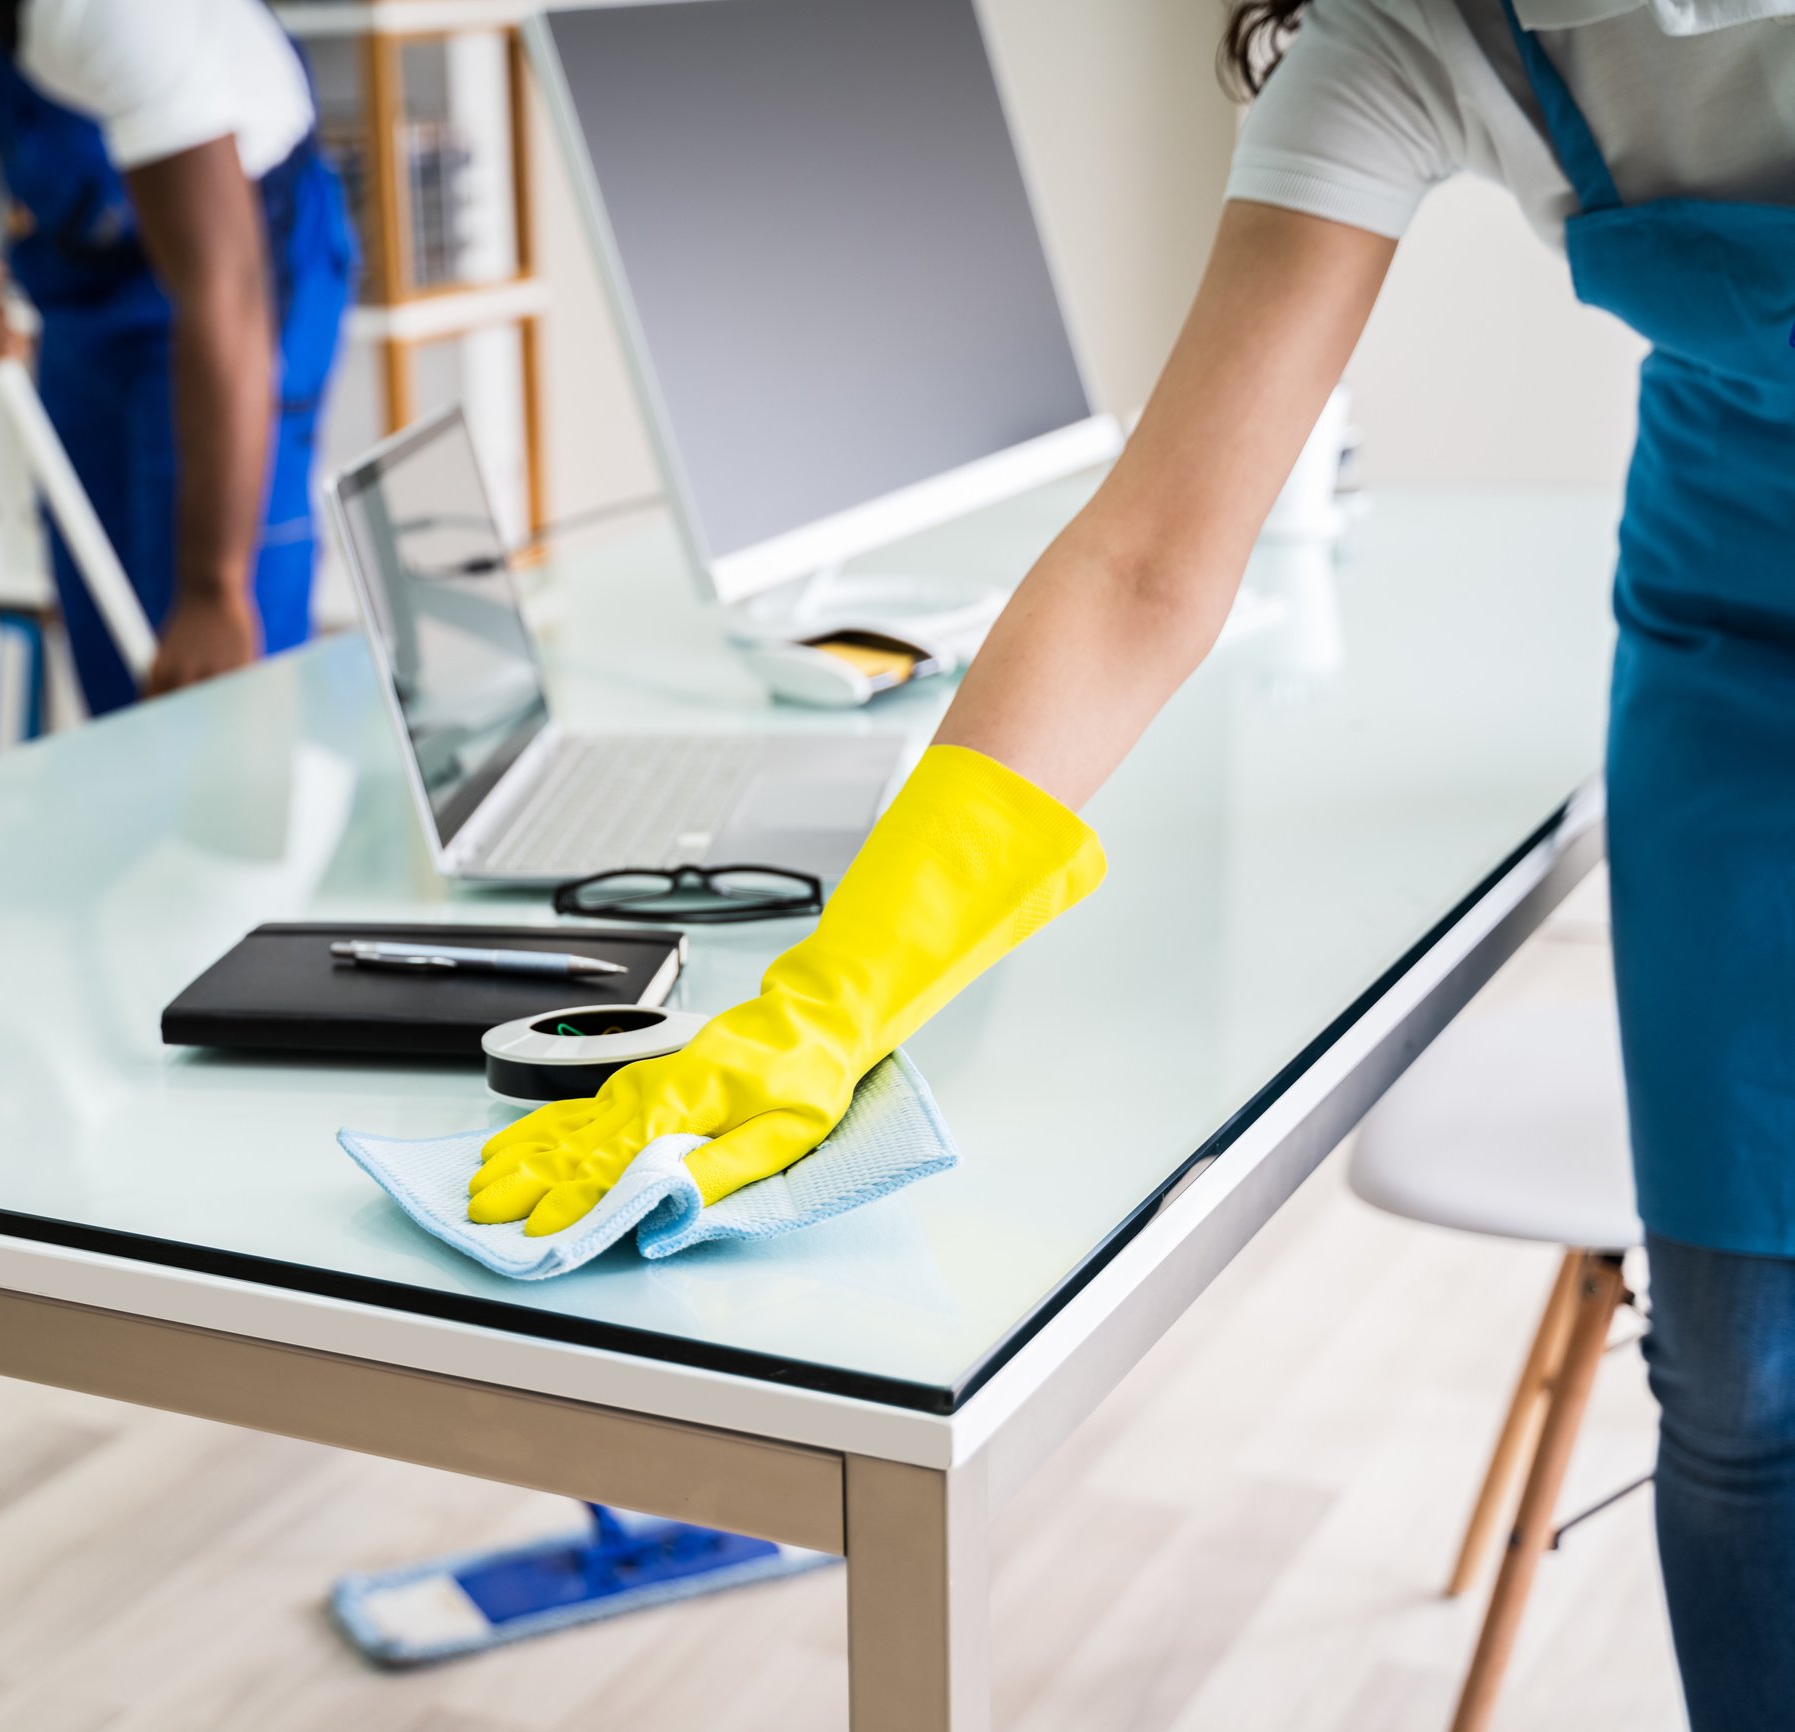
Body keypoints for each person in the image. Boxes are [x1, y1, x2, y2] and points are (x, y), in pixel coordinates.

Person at [470, 1, 1794, 1721]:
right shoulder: (1409, 39)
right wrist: (826, 999)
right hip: (1736, 641)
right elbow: (1145, 562)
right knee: (1741, 1369)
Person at [0, 0, 354, 713]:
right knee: (111, 651)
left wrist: (214, 591)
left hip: (243, 247)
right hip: (79, 267)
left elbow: (225, 289)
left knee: (230, 676)